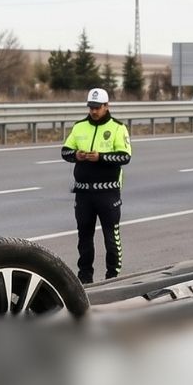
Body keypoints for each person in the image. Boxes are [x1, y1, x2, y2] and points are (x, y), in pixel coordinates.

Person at [60, 87, 132, 283]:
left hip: (108, 193)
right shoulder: (79, 126)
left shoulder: (118, 128)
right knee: (84, 237)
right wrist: (77, 155)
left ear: (106, 106)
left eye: (97, 107)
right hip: (83, 193)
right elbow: (65, 151)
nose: (93, 111)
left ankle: (113, 276)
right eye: (91, 107)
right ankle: (85, 278)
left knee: (111, 237)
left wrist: (100, 157)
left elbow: (125, 156)